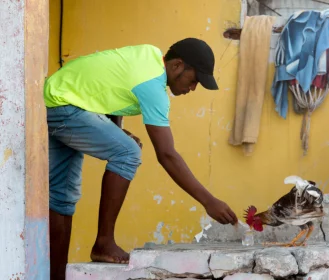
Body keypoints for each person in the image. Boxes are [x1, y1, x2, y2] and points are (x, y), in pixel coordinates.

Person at [44, 38, 238, 280]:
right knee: (127, 152)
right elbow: (166, 154)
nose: (192, 88)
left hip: (56, 99)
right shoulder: (153, 86)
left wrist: (113, 130)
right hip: (64, 106)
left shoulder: (148, 57)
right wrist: (209, 201)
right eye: (194, 80)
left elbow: (107, 88)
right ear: (177, 65)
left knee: (62, 199)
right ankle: (104, 242)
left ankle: (53, 276)